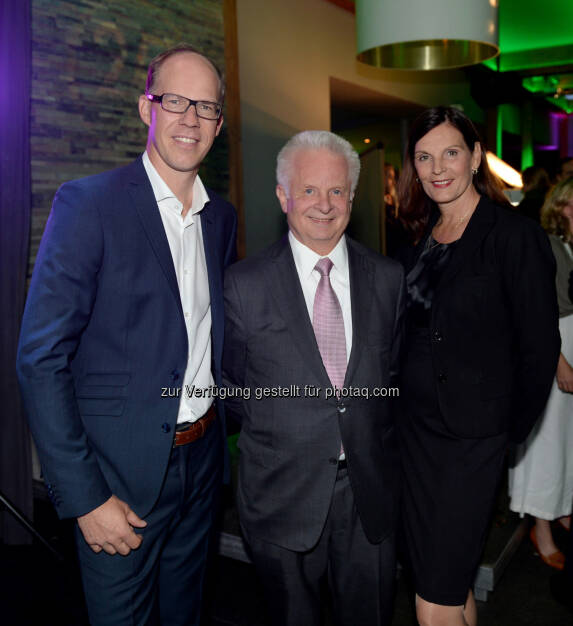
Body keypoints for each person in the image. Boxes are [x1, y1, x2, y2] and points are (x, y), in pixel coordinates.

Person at [16, 43, 237, 626]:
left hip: (201, 467)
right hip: (118, 481)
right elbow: (41, 360)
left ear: (219, 123)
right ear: (147, 109)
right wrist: (85, 496)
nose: (191, 118)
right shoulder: (90, 204)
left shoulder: (222, 218)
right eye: (175, 101)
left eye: (207, 107)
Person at [223, 130, 404, 626]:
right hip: (281, 496)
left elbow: (391, 380)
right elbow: (233, 389)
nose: (324, 205)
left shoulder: (389, 279)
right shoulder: (244, 285)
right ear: (283, 196)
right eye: (308, 190)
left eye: (337, 191)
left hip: (368, 496)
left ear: (351, 196)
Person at [397, 106, 560, 626]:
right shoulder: (422, 236)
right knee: (445, 579)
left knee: (433, 600)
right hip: (415, 436)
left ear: (475, 158)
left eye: (450, 152)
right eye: (424, 157)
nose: (437, 167)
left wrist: (502, 432)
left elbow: (539, 348)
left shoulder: (513, 237)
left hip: (471, 442)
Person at [509, 176, 573, 569]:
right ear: (562, 206)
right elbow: (536, 311)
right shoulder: (546, 245)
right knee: (545, 445)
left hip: (570, 340)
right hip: (554, 347)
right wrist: (560, 362)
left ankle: (562, 508)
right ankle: (541, 528)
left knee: (567, 444)